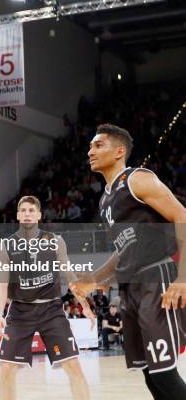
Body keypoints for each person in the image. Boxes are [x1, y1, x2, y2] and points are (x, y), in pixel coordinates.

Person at [72, 124, 186, 398]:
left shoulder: (137, 179)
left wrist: (183, 278)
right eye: (90, 146)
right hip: (131, 287)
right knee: (149, 372)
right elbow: (123, 250)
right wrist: (93, 279)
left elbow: (182, 217)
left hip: (157, 278)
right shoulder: (105, 201)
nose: (90, 151)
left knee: (163, 371)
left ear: (119, 151)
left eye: (98, 145)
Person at [0, 196, 94, 400]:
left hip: (51, 310)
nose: (27, 214)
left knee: (73, 364)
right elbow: (2, 285)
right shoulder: (6, 245)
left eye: (31, 210)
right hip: (20, 312)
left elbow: (70, 277)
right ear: (17, 215)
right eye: (23, 210)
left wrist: (85, 305)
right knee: (6, 368)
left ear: (39, 215)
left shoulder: (55, 241)